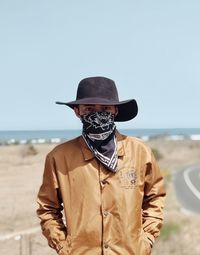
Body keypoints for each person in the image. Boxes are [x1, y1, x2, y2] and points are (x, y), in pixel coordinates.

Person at [36, 76, 166, 255]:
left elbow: (155, 198)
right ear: (77, 111)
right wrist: (62, 246)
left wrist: (147, 239)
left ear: (115, 111)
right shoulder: (59, 157)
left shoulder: (140, 152)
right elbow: (48, 208)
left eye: (105, 108)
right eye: (89, 108)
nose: (98, 114)